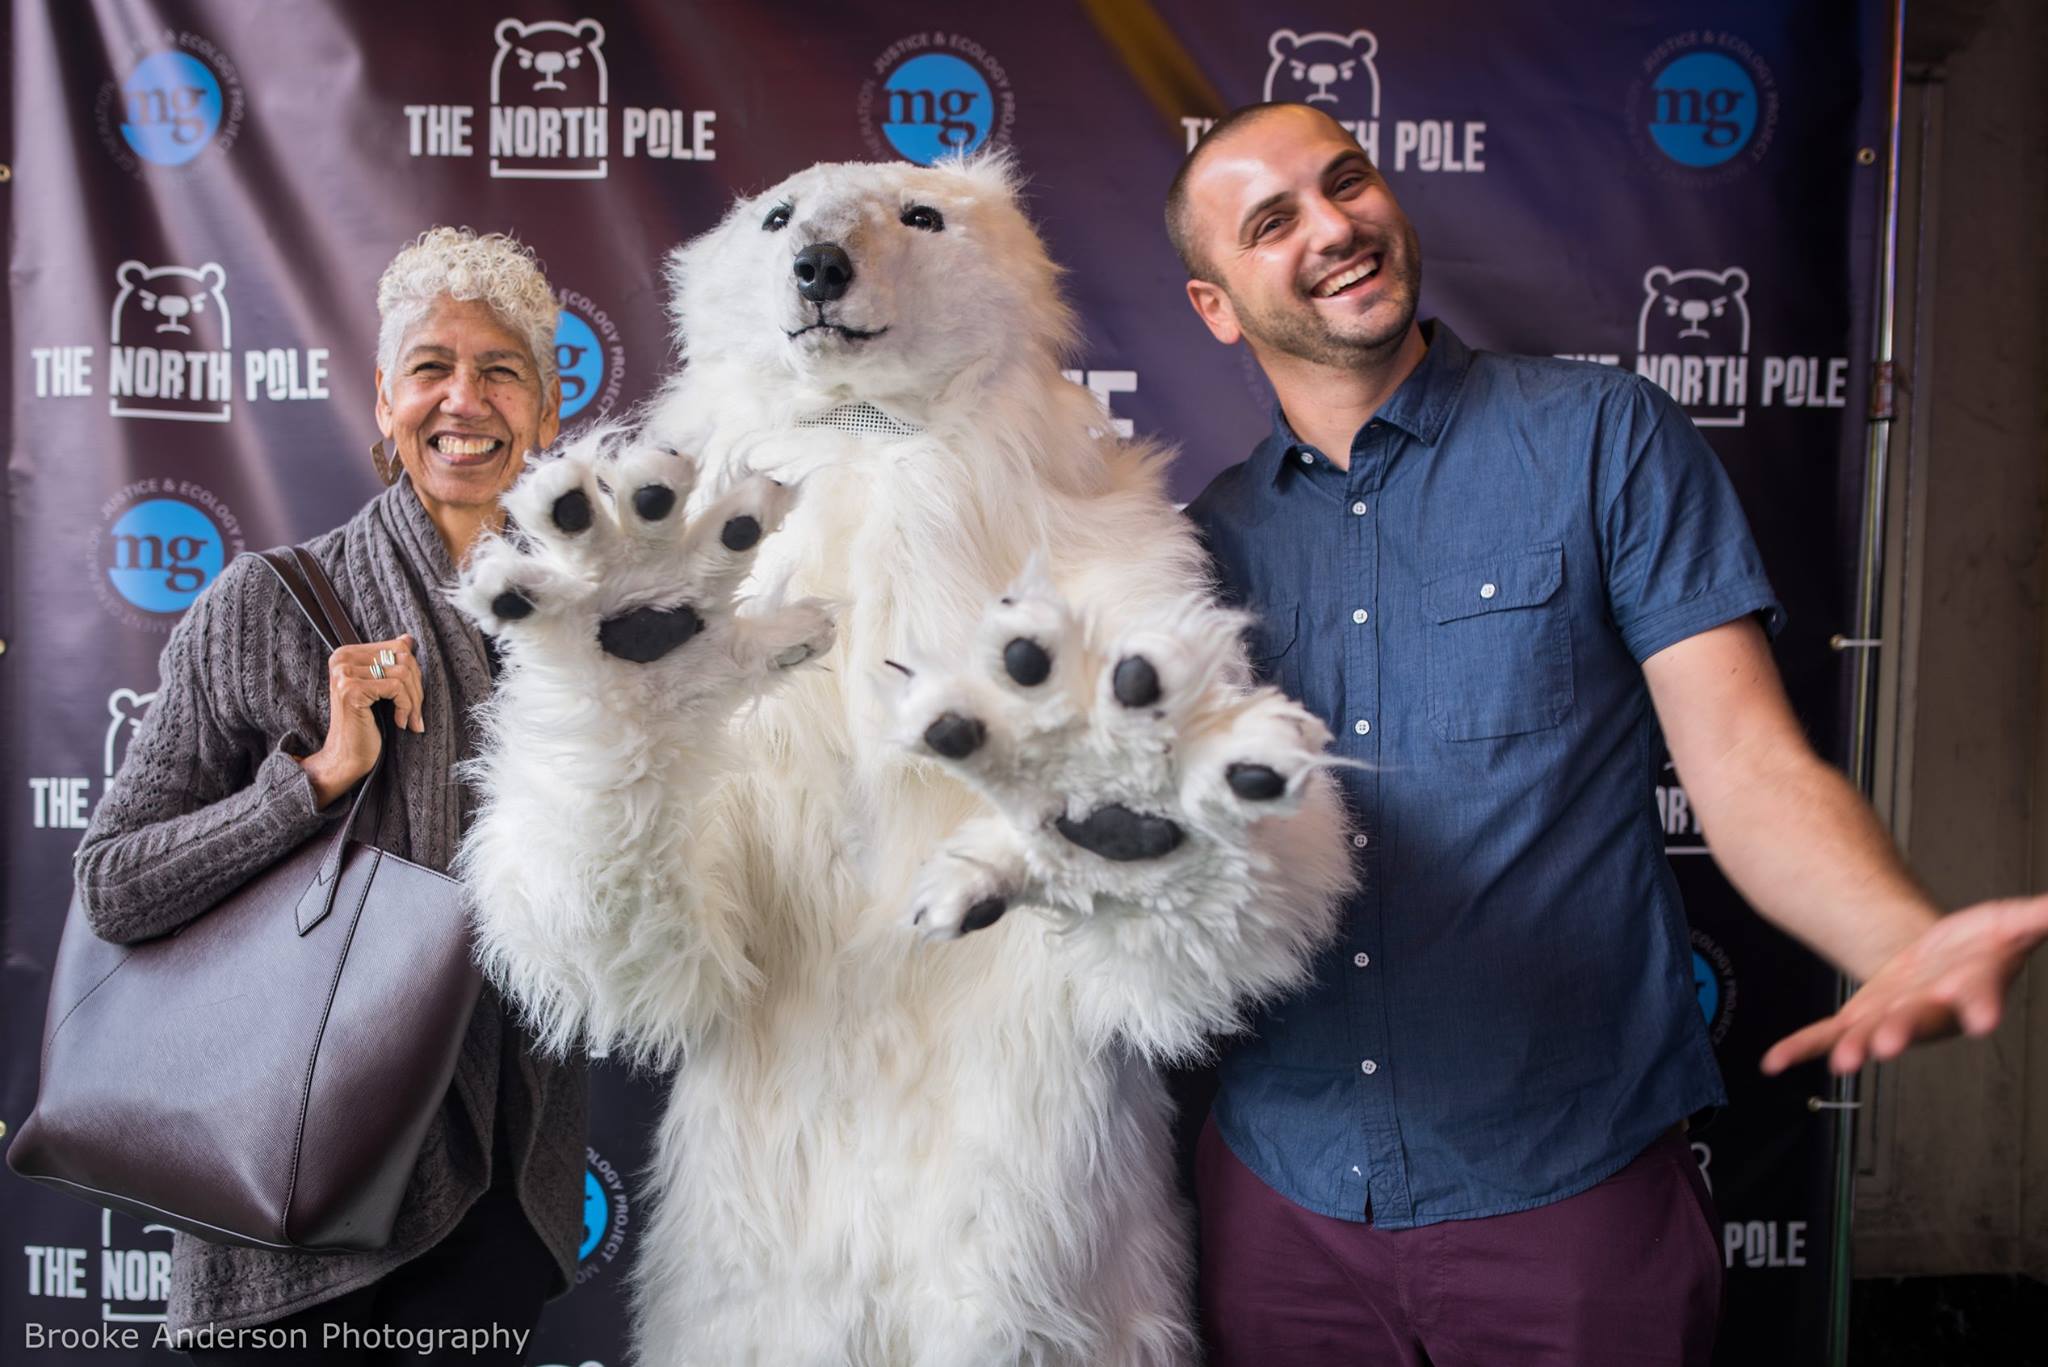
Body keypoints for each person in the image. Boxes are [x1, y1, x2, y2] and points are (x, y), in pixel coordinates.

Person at [1165, 101, 2048, 1366]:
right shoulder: (1196, 545)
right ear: (1215, 305)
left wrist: (1896, 933)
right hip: (1283, 1200)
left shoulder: (1600, 437)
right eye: (1270, 222)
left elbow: (1741, 761)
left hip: (1567, 1193)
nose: (1333, 226)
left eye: (1344, 181)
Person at [74, 227, 584, 1365]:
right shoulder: (265, 603)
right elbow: (113, 884)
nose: (465, 398)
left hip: (499, 1195)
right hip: (289, 1216)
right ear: (385, 398)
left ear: (549, 411)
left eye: (502, 369)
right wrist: (310, 781)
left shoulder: (587, 634)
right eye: (431, 366)